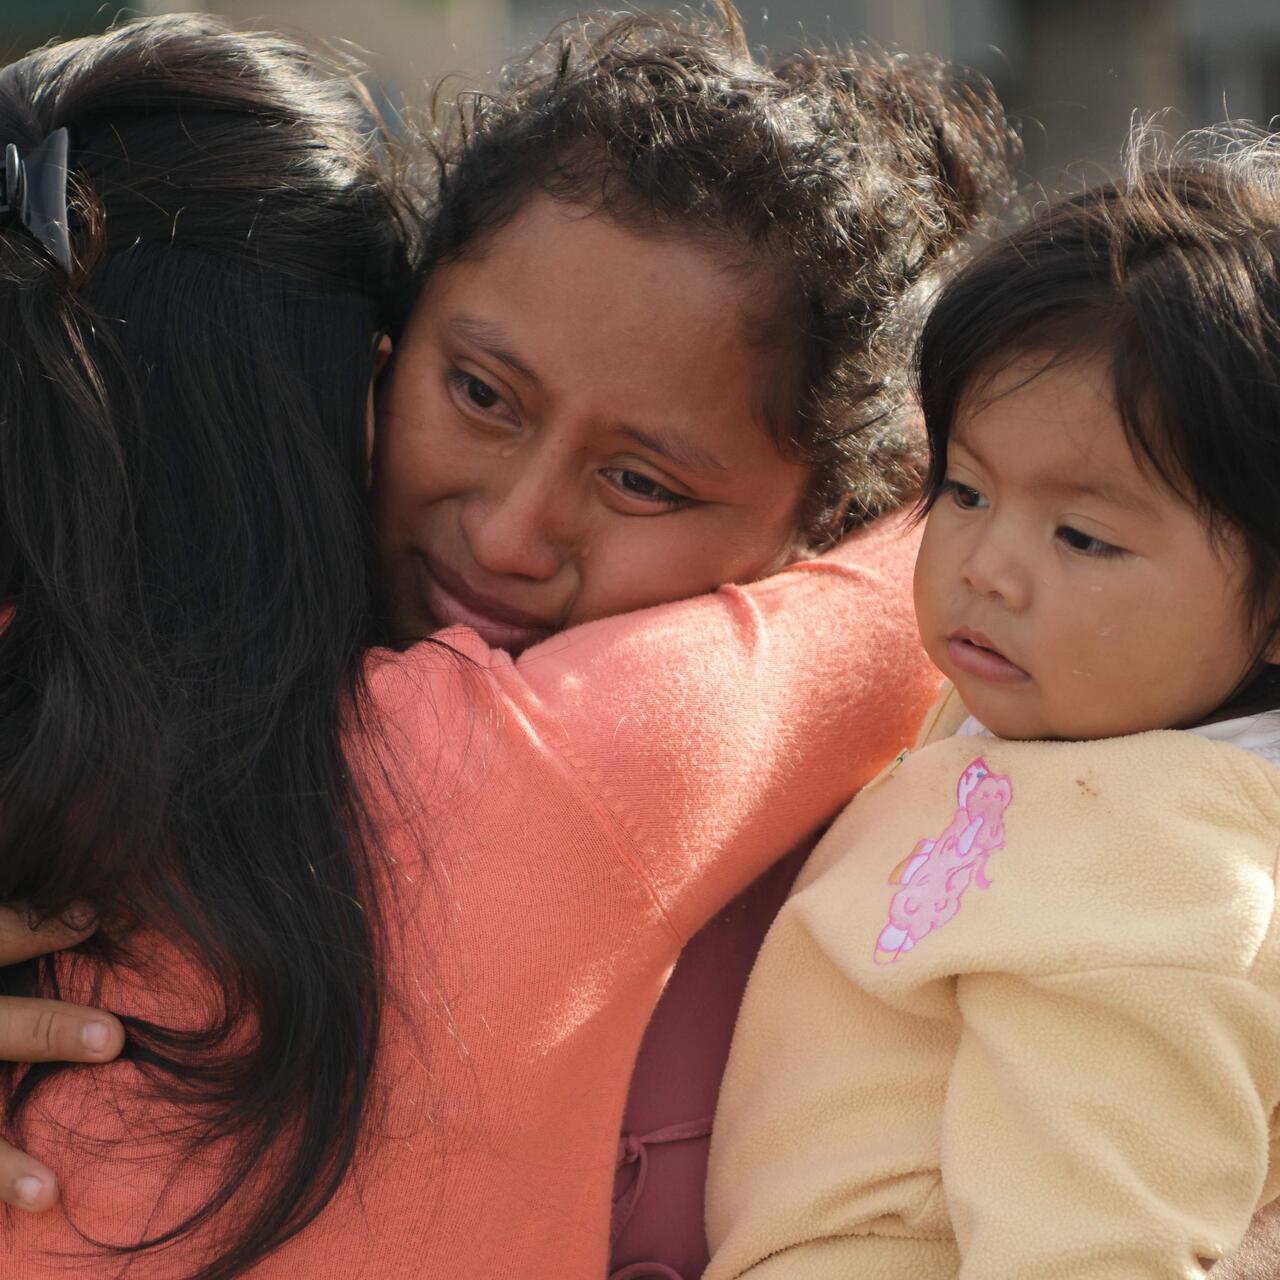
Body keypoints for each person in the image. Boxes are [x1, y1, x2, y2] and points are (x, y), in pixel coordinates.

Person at [0, 8, 1011, 1277]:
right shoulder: (527, 763)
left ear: (819, 522)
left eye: (642, 481)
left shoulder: (925, 836)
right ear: (380, 347)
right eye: (477, 393)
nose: (513, 531)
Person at [706, 130, 1280, 1278]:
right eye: (962, 488)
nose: (986, 565)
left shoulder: (1160, 871)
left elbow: (1094, 1247)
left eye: (1082, 535)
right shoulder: (1041, 719)